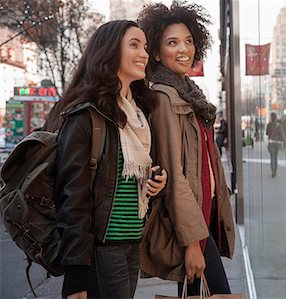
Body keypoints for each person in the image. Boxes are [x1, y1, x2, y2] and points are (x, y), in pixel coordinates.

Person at [53, 20, 167, 299]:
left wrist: (155, 181)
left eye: (145, 47)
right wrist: (76, 276)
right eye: (134, 45)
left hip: (131, 241)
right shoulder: (86, 117)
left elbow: (125, 178)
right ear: (109, 51)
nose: (144, 54)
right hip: (102, 248)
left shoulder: (138, 116)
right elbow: (73, 198)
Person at [137, 1, 235, 296]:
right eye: (172, 42)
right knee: (218, 291)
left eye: (189, 41)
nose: (184, 49)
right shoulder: (165, 98)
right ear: (156, 52)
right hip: (192, 227)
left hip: (203, 216)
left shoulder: (189, 93)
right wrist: (192, 243)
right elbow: (174, 176)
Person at [266, 112, 286, 177]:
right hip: (277, 143)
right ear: (276, 118)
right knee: (276, 157)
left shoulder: (269, 125)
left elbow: (266, 133)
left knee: (272, 157)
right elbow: (282, 134)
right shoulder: (279, 125)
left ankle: (273, 171)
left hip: (271, 143)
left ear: (271, 117)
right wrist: (285, 142)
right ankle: (275, 171)